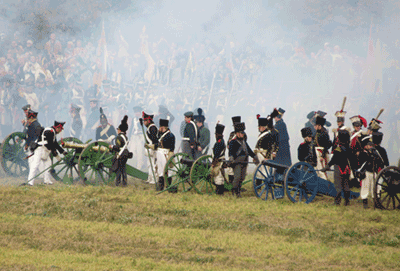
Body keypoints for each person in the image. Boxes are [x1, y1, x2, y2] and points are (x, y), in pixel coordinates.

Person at [26, 121, 67, 186]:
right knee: (35, 165)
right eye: (60, 129)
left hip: (45, 150)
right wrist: (56, 155)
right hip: (40, 149)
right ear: (58, 127)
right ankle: (30, 182)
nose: (61, 131)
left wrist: (63, 151)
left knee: (48, 164)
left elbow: (55, 143)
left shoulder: (52, 132)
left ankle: (47, 180)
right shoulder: (49, 132)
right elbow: (51, 145)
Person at [228, 122, 259, 198]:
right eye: (241, 133)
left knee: (242, 178)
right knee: (237, 177)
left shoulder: (244, 142)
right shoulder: (232, 142)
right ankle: (235, 191)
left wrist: (254, 156)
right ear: (237, 134)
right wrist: (231, 158)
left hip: (244, 162)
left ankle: (238, 191)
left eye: (243, 133)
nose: (243, 134)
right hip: (237, 162)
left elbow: (249, 150)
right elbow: (231, 152)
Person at [322, 130, 352, 206]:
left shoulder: (338, 149)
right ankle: (347, 201)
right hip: (347, 169)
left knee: (338, 186)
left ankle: (337, 201)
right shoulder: (349, 148)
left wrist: (327, 167)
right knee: (346, 185)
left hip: (338, 168)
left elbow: (333, 160)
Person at [357, 136, 384, 209]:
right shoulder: (363, 153)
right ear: (366, 146)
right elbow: (363, 162)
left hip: (374, 172)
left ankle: (376, 203)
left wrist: (374, 154)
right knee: (365, 188)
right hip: (366, 172)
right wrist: (370, 154)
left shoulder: (374, 152)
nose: (370, 146)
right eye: (369, 145)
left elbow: (380, 162)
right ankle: (365, 204)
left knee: (375, 188)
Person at [109, 116, 131, 187]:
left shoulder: (118, 137)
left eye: (118, 129)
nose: (117, 130)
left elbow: (118, 148)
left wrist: (112, 147)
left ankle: (117, 183)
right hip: (126, 153)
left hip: (121, 154)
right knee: (123, 169)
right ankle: (124, 183)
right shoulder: (125, 137)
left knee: (118, 169)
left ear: (120, 130)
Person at [155, 118, 176, 191]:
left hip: (166, 154)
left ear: (163, 127)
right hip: (159, 153)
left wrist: (170, 155)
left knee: (167, 170)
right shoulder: (160, 134)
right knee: (160, 170)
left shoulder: (170, 135)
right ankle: (161, 185)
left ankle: (168, 185)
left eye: (160, 127)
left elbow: (172, 147)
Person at [226, 116, 245, 184]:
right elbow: (228, 142)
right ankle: (230, 183)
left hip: (238, 155)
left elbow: (243, 144)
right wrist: (229, 144)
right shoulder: (232, 134)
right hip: (231, 153)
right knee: (230, 170)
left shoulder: (243, 134)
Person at [313, 114, 332, 180]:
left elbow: (326, 145)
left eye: (316, 125)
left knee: (322, 169)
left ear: (319, 125)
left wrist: (322, 156)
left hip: (321, 153)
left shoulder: (324, 133)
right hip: (316, 152)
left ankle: (325, 181)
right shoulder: (317, 133)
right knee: (317, 169)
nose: (315, 127)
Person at [128, 105, 146, 172]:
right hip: (134, 137)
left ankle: (139, 166)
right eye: (135, 112)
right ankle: (141, 163)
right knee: (132, 151)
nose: (136, 113)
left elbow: (145, 129)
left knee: (139, 152)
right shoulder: (134, 119)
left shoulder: (143, 119)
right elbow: (131, 128)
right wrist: (129, 137)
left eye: (137, 112)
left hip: (140, 137)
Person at [143, 111, 158, 184]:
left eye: (145, 120)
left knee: (153, 164)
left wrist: (151, 146)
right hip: (149, 148)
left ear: (149, 120)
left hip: (152, 149)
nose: (144, 122)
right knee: (149, 164)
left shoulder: (152, 128)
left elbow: (154, 139)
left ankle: (154, 179)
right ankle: (150, 178)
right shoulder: (150, 127)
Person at [211, 122, 226, 195]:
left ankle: (219, 192)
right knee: (219, 177)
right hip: (220, 160)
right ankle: (219, 191)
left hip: (218, 161)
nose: (215, 136)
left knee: (218, 176)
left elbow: (216, 155)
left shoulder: (219, 143)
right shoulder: (221, 141)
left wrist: (213, 164)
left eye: (216, 134)